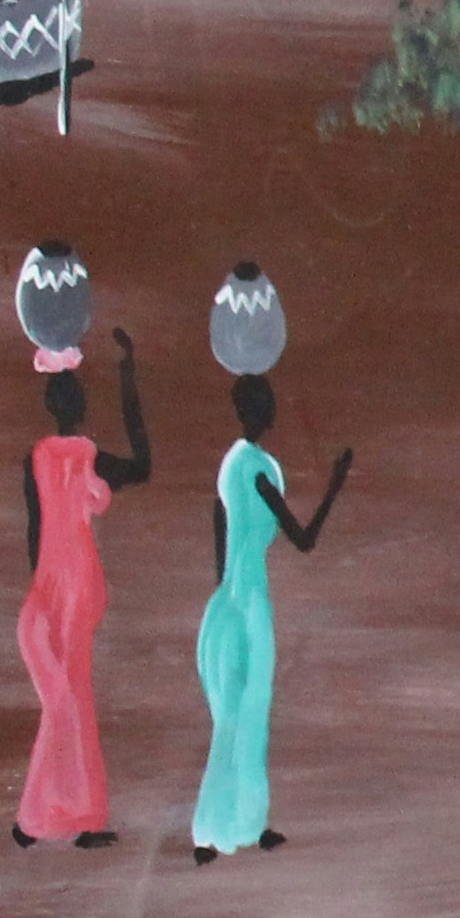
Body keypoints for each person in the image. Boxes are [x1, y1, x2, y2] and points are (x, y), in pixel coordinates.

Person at [188, 369, 350, 861]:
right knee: (252, 711)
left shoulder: (229, 465)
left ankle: (215, 830)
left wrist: (226, 586)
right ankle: (239, 824)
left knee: (230, 716)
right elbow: (303, 539)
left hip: (226, 602)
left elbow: (219, 524)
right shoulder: (259, 470)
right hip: (252, 603)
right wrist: (335, 485)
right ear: (262, 411)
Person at [11, 331, 149, 848]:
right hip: (78, 585)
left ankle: (50, 818)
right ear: (82, 407)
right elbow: (142, 465)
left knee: (64, 701)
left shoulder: (36, 458)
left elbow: (34, 527)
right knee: (71, 699)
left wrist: (42, 583)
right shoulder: (88, 455)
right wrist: (127, 379)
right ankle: (63, 817)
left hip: (51, 585)